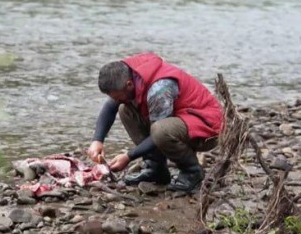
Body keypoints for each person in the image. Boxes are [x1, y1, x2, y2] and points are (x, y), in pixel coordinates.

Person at [86, 52, 223, 193]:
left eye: (117, 96)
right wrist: (97, 140)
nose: (115, 99)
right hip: (183, 119)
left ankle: (192, 172)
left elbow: (157, 137)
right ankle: (156, 169)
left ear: (128, 84)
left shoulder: (159, 90)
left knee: (160, 130)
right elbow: (111, 106)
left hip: (207, 129)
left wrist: (129, 156)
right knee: (124, 110)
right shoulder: (127, 73)